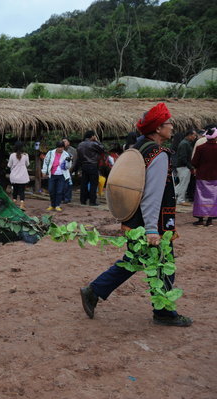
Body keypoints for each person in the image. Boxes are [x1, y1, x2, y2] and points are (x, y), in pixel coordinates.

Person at [80, 102, 192, 327]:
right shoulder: (158, 154)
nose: (172, 127)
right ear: (158, 129)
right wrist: (152, 228)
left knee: (136, 259)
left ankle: (95, 290)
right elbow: (152, 194)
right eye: (168, 123)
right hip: (154, 221)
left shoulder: (139, 148)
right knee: (162, 262)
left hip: (134, 219)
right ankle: (164, 313)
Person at [191, 124, 217, 227]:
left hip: (202, 175)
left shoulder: (200, 147)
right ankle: (210, 220)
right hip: (215, 176)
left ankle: (200, 219)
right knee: (213, 197)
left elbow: (194, 162)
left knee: (200, 197)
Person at [74, 130, 104, 206]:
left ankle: (83, 200)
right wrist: (97, 141)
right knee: (93, 184)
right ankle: (92, 201)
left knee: (84, 183)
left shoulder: (80, 144)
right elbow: (102, 149)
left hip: (84, 166)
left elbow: (79, 157)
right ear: (92, 136)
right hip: (93, 165)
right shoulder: (93, 144)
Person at [42, 141, 72, 212]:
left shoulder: (66, 154)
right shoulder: (50, 153)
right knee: (51, 190)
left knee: (59, 191)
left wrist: (68, 161)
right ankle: (52, 205)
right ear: (56, 147)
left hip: (62, 174)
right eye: (59, 147)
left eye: (62, 147)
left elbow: (68, 166)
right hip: (52, 174)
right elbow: (46, 163)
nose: (60, 149)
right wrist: (44, 171)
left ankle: (57, 205)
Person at [174, 129, 198, 206]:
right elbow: (183, 158)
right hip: (183, 166)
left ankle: (173, 195)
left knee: (181, 183)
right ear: (189, 135)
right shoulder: (184, 144)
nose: (195, 137)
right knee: (184, 183)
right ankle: (180, 200)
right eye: (194, 135)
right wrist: (190, 167)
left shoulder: (186, 143)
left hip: (183, 166)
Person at [7, 141, 30, 209]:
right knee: (21, 191)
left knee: (15, 190)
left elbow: (9, 165)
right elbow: (27, 164)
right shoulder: (25, 155)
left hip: (14, 176)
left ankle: (14, 203)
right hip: (23, 176)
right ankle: (22, 205)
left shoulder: (12, 155)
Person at [62, 138, 77, 204]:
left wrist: (71, 169)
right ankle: (62, 197)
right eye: (62, 141)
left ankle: (67, 198)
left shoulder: (73, 150)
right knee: (61, 184)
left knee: (68, 184)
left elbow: (75, 161)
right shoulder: (60, 149)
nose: (63, 142)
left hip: (69, 170)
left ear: (68, 143)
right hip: (61, 170)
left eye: (65, 141)